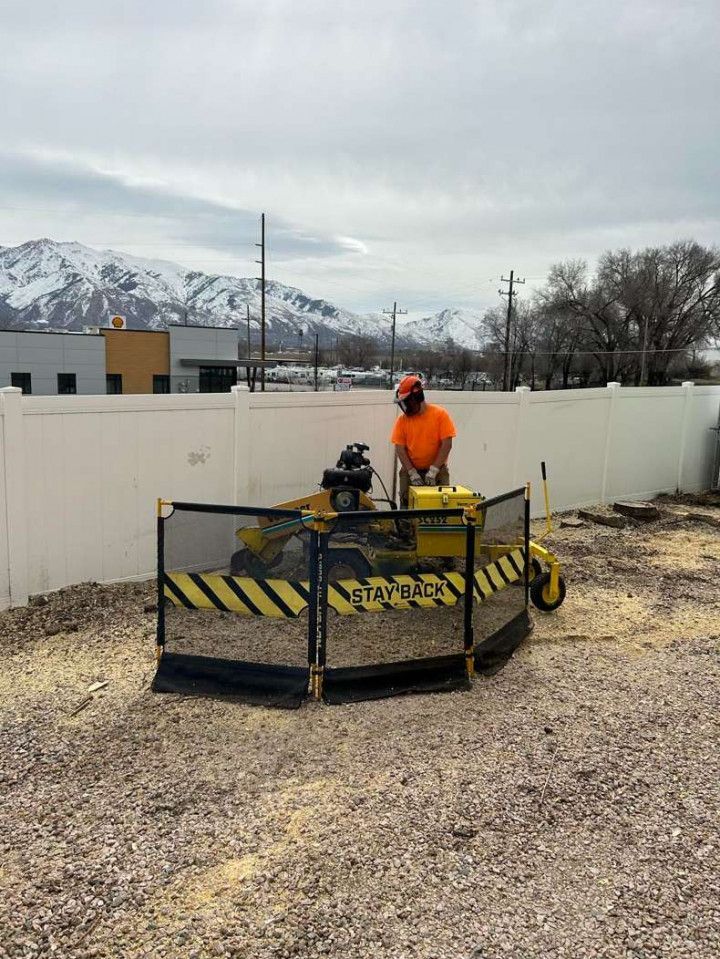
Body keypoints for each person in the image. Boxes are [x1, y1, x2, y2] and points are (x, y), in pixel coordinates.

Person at [391, 374, 457, 508]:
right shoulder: (402, 421)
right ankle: (405, 527)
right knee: (407, 505)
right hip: (411, 470)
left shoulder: (440, 415)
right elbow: (400, 448)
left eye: (406, 402)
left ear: (418, 397)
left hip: (438, 471)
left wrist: (434, 470)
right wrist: (411, 472)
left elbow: (447, 444)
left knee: (441, 506)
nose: (404, 407)